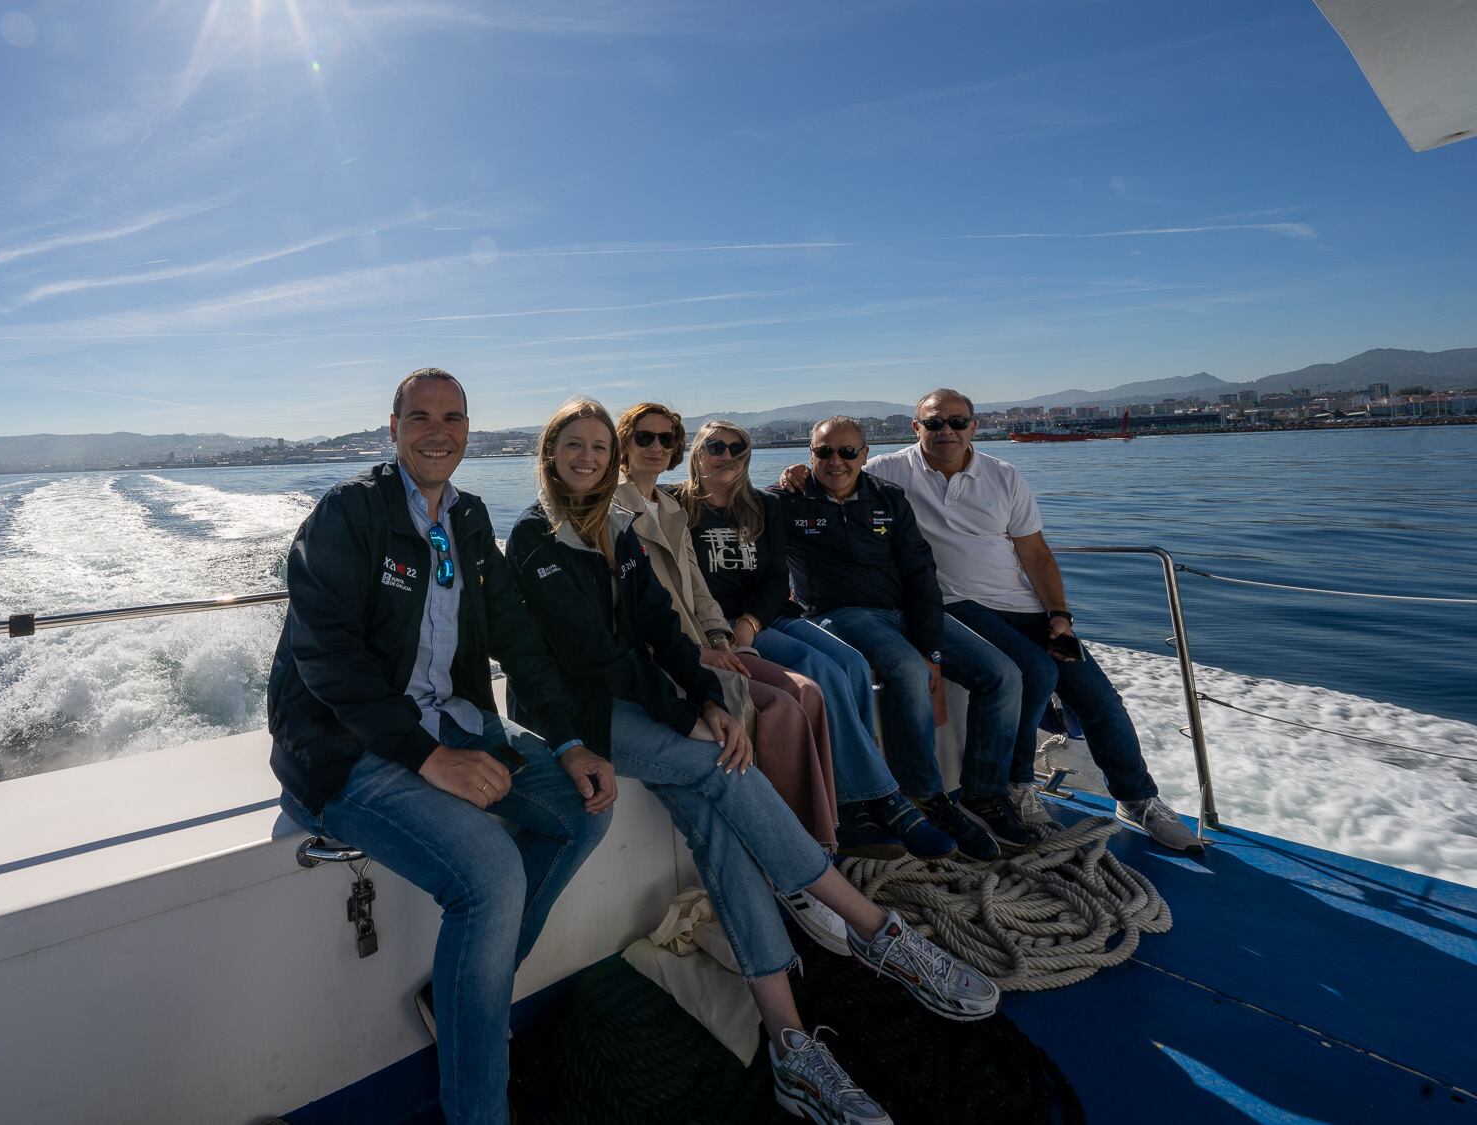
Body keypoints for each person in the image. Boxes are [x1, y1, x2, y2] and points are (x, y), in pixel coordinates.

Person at [508, 397, 1000, 1124]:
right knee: (717, 767)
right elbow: (595, 656)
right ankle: (873, 927)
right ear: (549, 455)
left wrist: (705, 696)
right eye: (571, 445)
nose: (587, 457)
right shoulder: (536, 536)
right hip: (577, 712)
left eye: (596, 447)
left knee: (715, 822)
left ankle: (791, 1047)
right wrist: (691, 715)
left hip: (638, 696)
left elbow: (655, 627)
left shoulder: (617, 527)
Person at [267, 368, 614, 1125]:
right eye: (420, 415)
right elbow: (327, 658)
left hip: (451, 722)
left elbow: (517, 637)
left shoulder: (469, 516)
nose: (438, 430)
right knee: (489, 874)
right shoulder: (348, 515)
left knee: (583, 808)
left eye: (453, 416)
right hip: (340, 744)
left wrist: (572, 739)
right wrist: (427, 758)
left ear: (468, 429)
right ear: (391, 428)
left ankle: (462, 1000)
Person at [864, 389, 1204, 853]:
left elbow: (1036, 554)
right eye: (935, 422)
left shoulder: (1003, 476)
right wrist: (795, 476)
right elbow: (831, 477)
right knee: (1034, 672)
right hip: (953, 606)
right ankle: (1014, 786)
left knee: (1097, 696)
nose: (947, 431)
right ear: (916, 427)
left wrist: (1059, 616)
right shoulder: (886, 472)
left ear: (974, 426)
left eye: (958, 422)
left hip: (1025, 607)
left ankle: (1137, 798)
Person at [669, 417, 957, 863]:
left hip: (766, 617)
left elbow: (774, 576)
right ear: (696, 453)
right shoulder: (674, 507)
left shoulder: (763, 505)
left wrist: (751, 621)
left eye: (736, 447)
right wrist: (732, 628)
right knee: (823, 670)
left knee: (853, 664)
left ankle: (859, 796)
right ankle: (876, 799)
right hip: (717, 623)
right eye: (714, 447)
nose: (725, 455)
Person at [773, 416, 1036, 859]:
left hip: (903, 611)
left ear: (865, 454)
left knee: (1003, 674)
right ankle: (925, 796)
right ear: (809, 454)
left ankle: (984, 792)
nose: (836, 462)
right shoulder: (784, 501)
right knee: (906, 668)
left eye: (847, 452)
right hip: (839, 615)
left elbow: (919, 573)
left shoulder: (888, 498)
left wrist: (931, 644)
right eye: (824, 452)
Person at [611, 402, 839, 855]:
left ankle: (825, 835)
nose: (657, 447)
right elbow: (640, 612)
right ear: (623, 444)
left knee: (809, 690)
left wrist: (723, 637)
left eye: (665, 438)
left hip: (710, 640)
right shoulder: (617, 511)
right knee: (781, 707)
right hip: (675, 652)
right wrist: (697, 651)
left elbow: (698, 589)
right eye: (644, 437)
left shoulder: (668, 508)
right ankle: (795, 847)